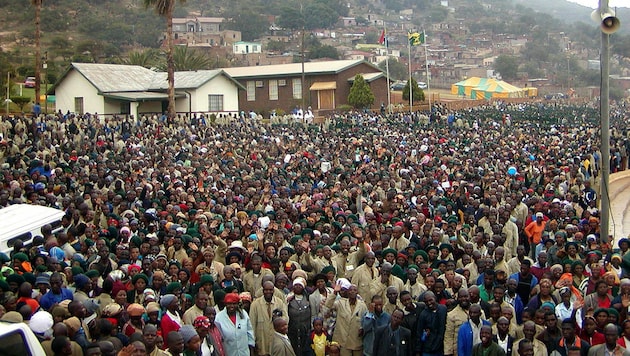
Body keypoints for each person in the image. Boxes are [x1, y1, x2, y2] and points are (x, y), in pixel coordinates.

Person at [250, 280, 288, 356]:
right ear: (262, 290)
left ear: (273, 290)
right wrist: (253, 342)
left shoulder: (279, 302)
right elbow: (252, 324)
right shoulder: (255, 305)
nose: (268, 292)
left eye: (270, 290)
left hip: (276, 342)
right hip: (262, 342)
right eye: (266, 290)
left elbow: (286, 318)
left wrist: (278, 320)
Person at [416, 291, 447, 356]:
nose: (429, 303)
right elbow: (419, 332)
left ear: (435, 298)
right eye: (426, 302)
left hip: (442, 347)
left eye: (430, 300)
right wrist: (418, 350)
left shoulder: (443, 309)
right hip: (429, 348)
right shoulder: (423, 314)